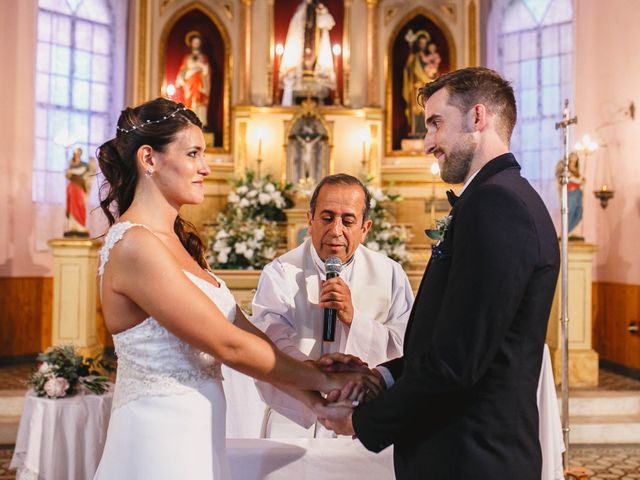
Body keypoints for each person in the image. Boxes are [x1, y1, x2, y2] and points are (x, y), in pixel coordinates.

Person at [92, 98, 381, 479]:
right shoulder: (134, 244)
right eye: (193, 153)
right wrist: (326, 381)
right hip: (158, 437)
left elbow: (245, 331)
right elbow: (226, 344)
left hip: (199, 431)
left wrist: (310, 388)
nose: (205, 168)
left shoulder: (179, 242)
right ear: (149, 158)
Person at [319, 67, 561, 479]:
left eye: (436, 123)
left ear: (478, 118)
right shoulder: (499, 199)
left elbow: (457, 363)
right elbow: (454, 340)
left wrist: (363, 422)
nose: (428, 142)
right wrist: (382, 376)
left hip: (471, 458)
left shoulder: (497, 207)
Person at [240, 174, 413, 435]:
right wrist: (316, 375)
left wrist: (355, 320)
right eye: (327, 217)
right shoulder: (281, 272)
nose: (336, 231)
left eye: (348, 220)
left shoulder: (390, 274)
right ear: (310, 221)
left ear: (365, 229)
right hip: (295, 418)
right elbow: (269, 342)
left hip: (364, 418)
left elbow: (405, 348)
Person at [175, 31, 210, 127]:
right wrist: (181, 78)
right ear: (191, 44)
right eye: (194, 42)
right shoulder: (187, 58)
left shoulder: (203, 57)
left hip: (200, 83)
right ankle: (190, 121)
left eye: (198, 42)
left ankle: (201, 123)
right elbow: (183, 70)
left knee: (200, 102)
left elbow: (206, 71)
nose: (196, 44)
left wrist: (202, 67)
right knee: (190, 103)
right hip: (190, 83)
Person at [64, 147, 95, 236]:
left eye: (77, 152)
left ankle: (80, 226)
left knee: (80, 204)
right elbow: (68, 174)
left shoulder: (84, 165)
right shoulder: (71, 164)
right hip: (72, 187)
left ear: (80, 154)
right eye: (74, 152)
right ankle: (72, 226)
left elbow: (88, 174)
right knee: (71, 205)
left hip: (79, 187)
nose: (75, 154)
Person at [555, 151, 585, 237]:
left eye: (575, 157)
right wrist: (581, 181)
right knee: (570, 213)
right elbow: (576, 180)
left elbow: (581, 180)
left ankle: (569, 231)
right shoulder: (566, 170)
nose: (574, 158)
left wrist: (581, 181)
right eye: (572, 156)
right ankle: (565, 233)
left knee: (579, 213)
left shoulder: (576, 170)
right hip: (571, 193)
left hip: (578, 193)